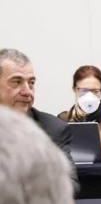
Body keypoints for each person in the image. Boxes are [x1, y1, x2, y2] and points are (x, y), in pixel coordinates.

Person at [0, 48, 80, 195]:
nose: (27, 92)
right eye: (16, 82)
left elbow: (69, 185)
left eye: (31, 83)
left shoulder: (52, 129)